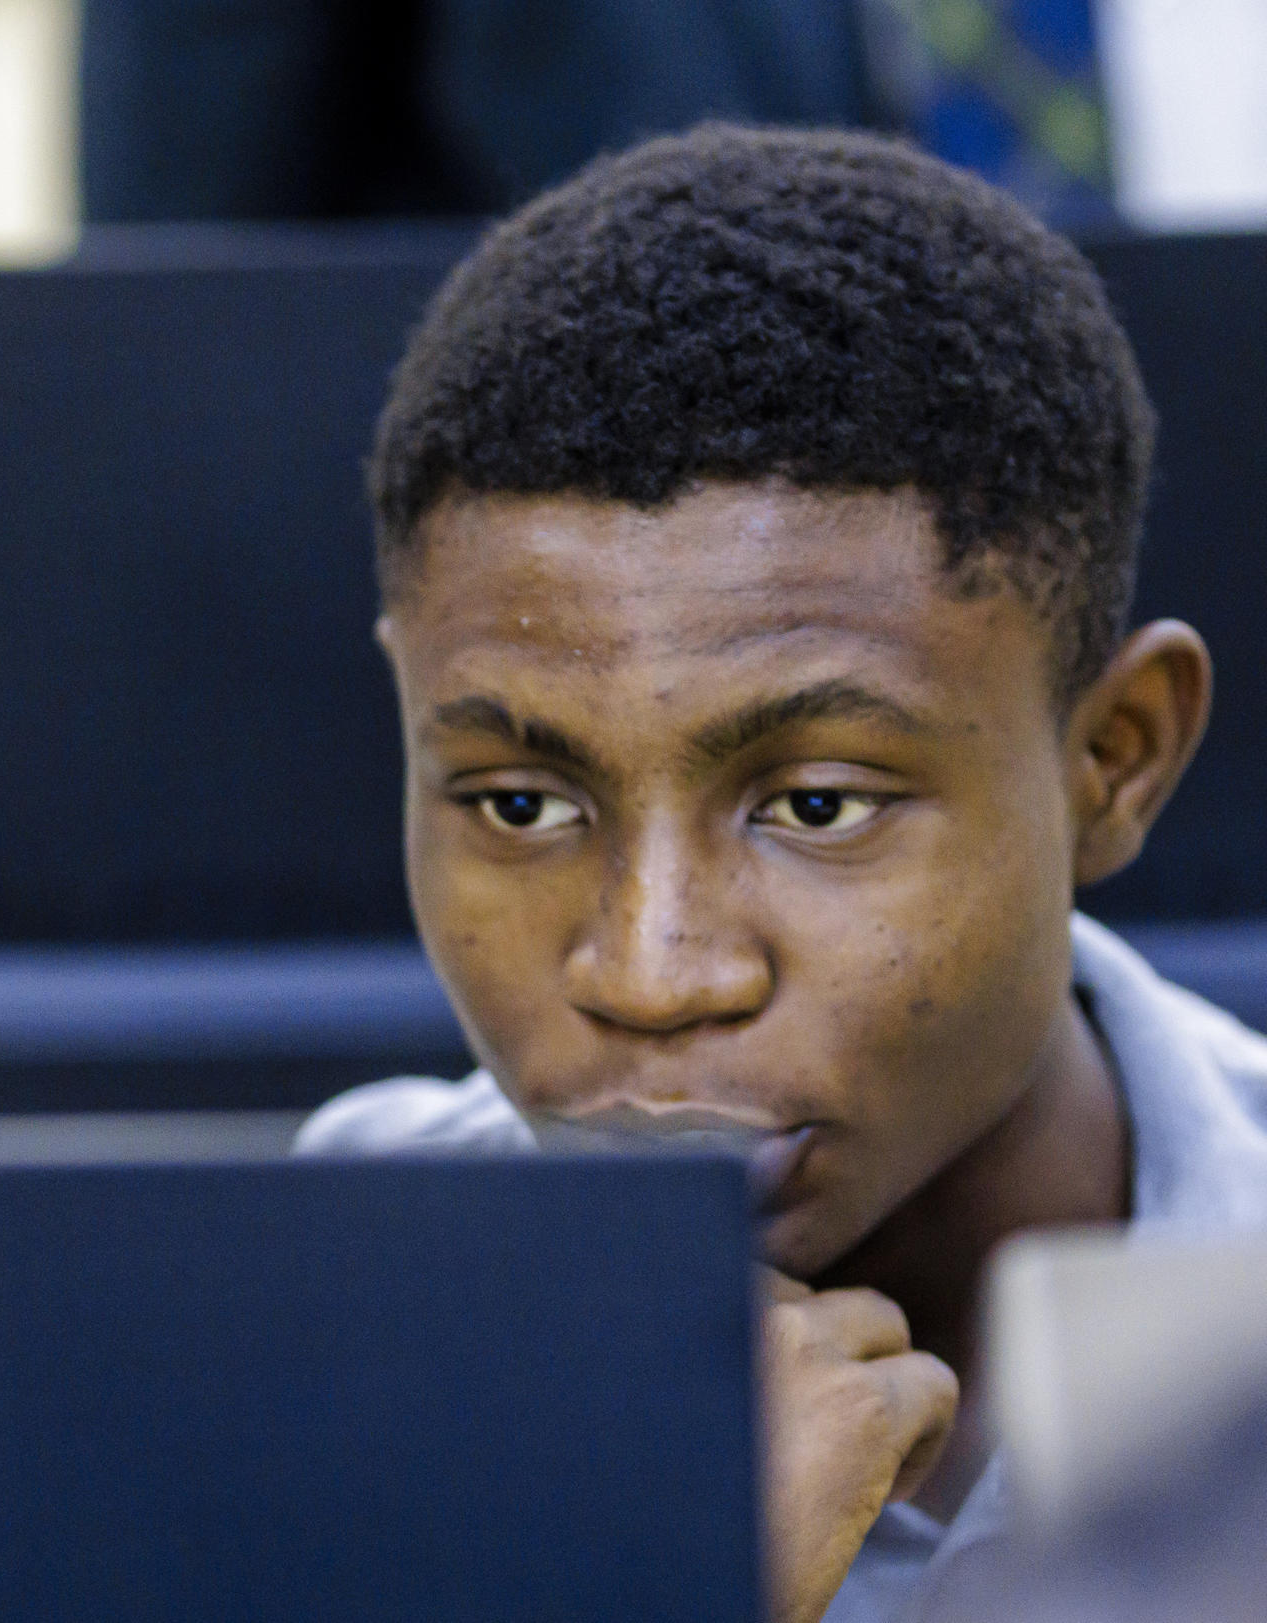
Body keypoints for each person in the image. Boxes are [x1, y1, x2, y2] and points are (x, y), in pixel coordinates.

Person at [296, 125, 1267, 1622]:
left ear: (1112, 761)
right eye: (521, 804)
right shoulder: (323, 1291)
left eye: (816, 804)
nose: (650, 972)